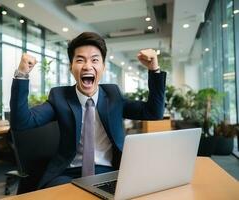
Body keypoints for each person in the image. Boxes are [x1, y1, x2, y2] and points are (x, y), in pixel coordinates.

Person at [10, 32, 166, 189]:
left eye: (95, 60)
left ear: (103, 68)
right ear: (71, 68)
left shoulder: (113, 96)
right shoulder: (60, 97)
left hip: (109, 171)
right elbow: (22, 123)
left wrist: (154, 70)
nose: (87, 66)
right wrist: (22, 75)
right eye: (80, 60)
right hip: (68, 173)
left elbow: (154, 112)